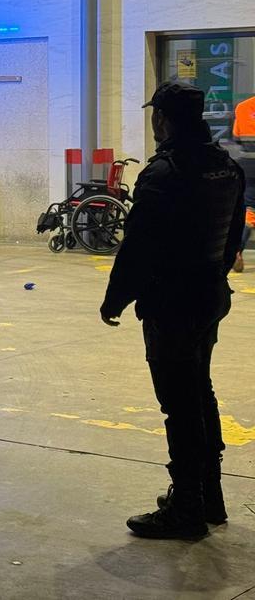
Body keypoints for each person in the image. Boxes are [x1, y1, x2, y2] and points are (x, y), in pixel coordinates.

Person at [100, 82, 246, 539]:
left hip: (173, 303)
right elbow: (234, 234)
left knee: (179, 406)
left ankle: (186, 509)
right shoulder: (225, 166)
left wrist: (115, 299)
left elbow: (138, 248)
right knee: (200, 393)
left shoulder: (163, 174)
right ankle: (209, 497)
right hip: (209, 296)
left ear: (162, 118)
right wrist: (215, 274)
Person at [231, 93, 255, 273]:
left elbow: (236, 136)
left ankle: (237, 249)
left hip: (248, 164)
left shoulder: (242, 107)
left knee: (249, 210)